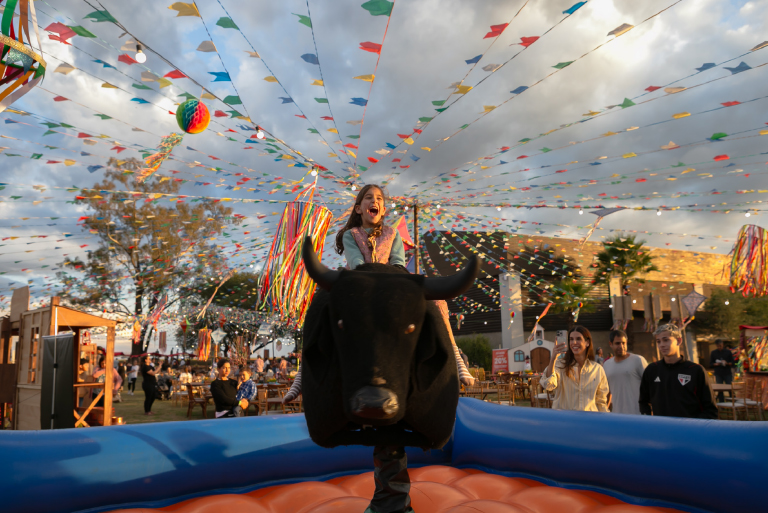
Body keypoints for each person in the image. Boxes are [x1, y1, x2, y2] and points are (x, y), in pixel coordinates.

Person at [284, 183, 474, 513]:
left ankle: (455, 358)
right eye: (368, 198)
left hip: (392, 291)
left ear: (383, 209)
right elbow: (357, 266)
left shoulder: (394, 234)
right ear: (358, 208)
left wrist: (400, 286)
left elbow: (399, 264)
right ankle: (304, 373)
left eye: (379, 200)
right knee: (322, 307)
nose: (375, 202)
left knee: (435, 303)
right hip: (360, 291)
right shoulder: (350, 236)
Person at [639, 324, 717, 418]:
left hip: (688, 430)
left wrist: (695, 427)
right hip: (661, 429)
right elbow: (643, 402)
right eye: (658, 341)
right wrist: (650, 420)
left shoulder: (696, 370)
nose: (662, 345)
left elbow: (710, 409)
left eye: (666, 340)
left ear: (679, 341)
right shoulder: (652, 370)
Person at [540, 326, 609, 412]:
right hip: (565, 421)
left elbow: (601, 401)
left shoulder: (597, 369)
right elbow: (548, 385)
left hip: (589, 421)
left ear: (587, 342)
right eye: (571, 339)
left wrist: (605, 421)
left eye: (578, 339)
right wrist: (553, 358)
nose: (574, 342)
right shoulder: (560, 365)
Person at [603, 329, 647, 414]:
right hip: (617, 416)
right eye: (617, 343)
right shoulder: (607, 365)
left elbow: (650, 388)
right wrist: (605, 411)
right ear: (610, 344)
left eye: (624, 343)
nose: (621, 346)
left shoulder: (638, 360)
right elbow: (607, 392)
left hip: (639, 415)